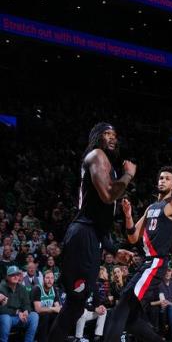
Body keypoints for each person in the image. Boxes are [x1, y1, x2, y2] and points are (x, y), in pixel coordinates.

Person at [48, 123, 135, 341]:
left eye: (114, 134)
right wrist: (128, 175)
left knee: (77, 305)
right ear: (96, 136)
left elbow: (99, 220)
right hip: (82, 235)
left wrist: (113, 250)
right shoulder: (96, 155)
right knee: (74, 304)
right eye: (107, 133)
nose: (112, 138)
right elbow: (108, 195)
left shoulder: (106, 164)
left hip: (92, 235)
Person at [104, 166, 172, 342]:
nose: (162, 180)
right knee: (130, 320)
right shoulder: (150, 208)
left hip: (157, 263)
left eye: (167, 178)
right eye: (161, 178)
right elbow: (133, 237)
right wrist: (128, 216)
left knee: (123, 304)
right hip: (147, 263)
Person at [0, 265, 39, 342]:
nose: (15, 277)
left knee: (34, 316)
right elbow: (1, 309)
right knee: (6, 318)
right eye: (12, 275)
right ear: (7, 277)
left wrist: (26, 311)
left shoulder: (22, 288)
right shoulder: (1, 287)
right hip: (8, 317)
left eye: (17, 275)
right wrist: (17, 312)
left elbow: (27, 304)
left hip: (20, 317)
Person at [32, 269, 61, 342]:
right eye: (47, 278)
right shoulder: (37, 289)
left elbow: (57, 307)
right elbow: (38, 309)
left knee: (58, 316)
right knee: (45, 316)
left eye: (52, 278)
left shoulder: (54, 289)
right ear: (43, 279)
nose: (50, 280)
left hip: (48, 314)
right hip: (36, 316)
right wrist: (53, 309)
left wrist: (55, 309)